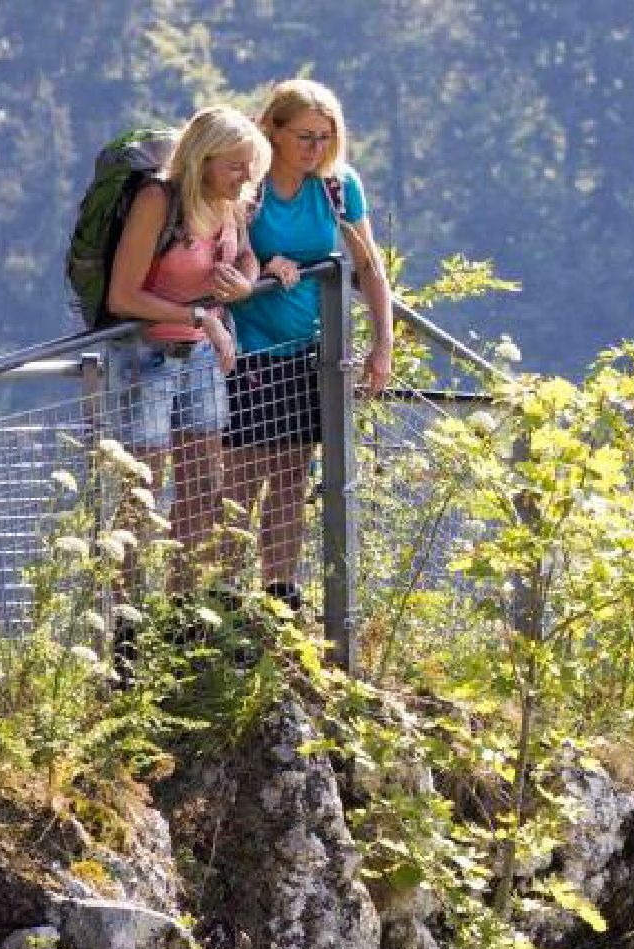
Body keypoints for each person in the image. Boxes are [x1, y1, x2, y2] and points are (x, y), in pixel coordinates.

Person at [226, 80, 395, 611]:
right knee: (240, 478)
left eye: (325, 137)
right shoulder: (246, 190)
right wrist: (260, 268)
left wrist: (382, 343)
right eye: (304, 136)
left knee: (292, 475)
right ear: (272, 130)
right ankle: (221, 599)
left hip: (308, 352)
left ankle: (279, 594)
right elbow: (220, 264)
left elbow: (369, 267)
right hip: (245, 351)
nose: (315, 148)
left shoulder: (338, 188)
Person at [106, 105, 267, 589]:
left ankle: (182, 614)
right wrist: (200, 316)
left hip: (201, 356)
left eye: (250, 166)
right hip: (147, 356)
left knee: (202, 487)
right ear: (203, 159)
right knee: (143, 490)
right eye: (235, 166)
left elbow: (244, 254)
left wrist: (246, 282)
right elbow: (123, 295)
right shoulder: (158, 200)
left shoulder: (229, 202)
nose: (245, 178)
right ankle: (128, 629)